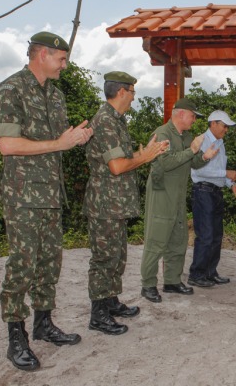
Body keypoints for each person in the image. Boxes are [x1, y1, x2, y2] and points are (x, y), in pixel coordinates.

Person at [0, 31, 93, 371]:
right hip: (23, 196)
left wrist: (75, 139)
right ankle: (16, 338)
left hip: (50, 193)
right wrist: (60, 144)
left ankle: (44, 323)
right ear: (42, 55)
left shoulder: (56, 95)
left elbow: (56, 141)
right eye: (61, 59)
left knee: (50, 263)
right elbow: (8, 145)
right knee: (22, 266)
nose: (65, 65)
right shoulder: (9, 89)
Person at [83, 71, 169, 335]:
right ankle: (98, 314)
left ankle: (110, 302)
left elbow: (122, 161)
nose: (134, 97)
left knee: (117, 255)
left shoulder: (117, 120)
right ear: (121, 91)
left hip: (115, 203)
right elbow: (118, 167)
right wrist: (146, 157)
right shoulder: (106, 121)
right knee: (104, 258)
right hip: (105, 204)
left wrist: (144, 154)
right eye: (132, 91)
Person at [139, 98, 219, 303]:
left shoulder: (186, 135)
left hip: (178, 196)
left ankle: (172, 281)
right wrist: (192, 150)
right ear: (181, 114)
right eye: (193, 116)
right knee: (156, 241)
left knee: (178, 240)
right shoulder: (162, 133)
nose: (194, 120)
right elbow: (164, 163)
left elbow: (192, 162)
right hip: (162, 194)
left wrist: (205, 157)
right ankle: (148, 285)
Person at [188, 110, 236, 288]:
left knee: (216, 236)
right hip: (203, 192)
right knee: (205, 235)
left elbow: (220, 170)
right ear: (213, 123)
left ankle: (210, 273)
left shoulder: (220, 142)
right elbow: (197, 171)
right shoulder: (201, 141)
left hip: (215, 192)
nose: (226, 129)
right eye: (224, 125)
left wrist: (231, 184)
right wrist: (225, 173)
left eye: (228, 126)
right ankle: (196, 275)